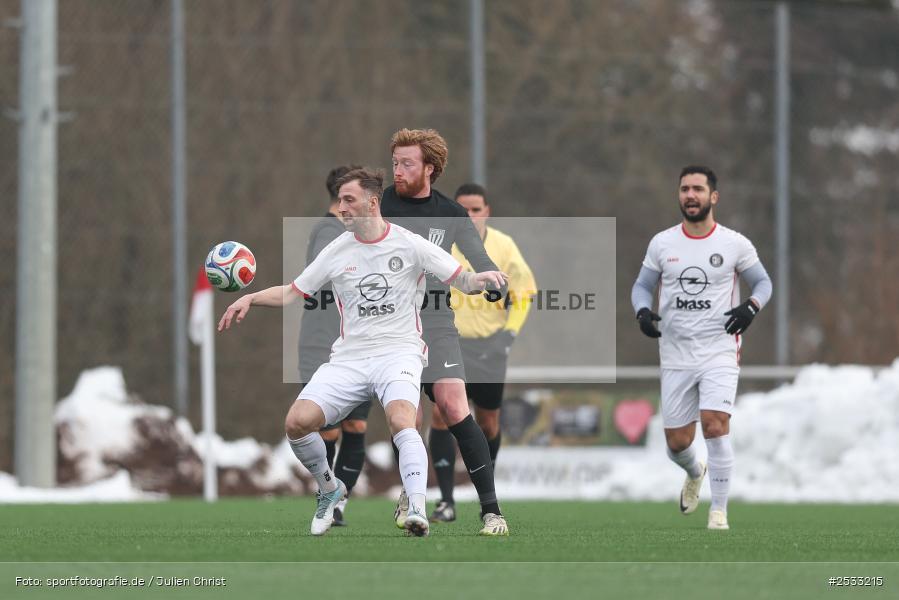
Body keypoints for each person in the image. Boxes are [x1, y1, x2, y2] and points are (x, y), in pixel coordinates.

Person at [219, 167, 506, 537]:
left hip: (399, 353)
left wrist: (480, 280)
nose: (341, 208)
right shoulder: (337, 249)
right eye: (339, 200)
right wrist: (251, 298)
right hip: (350, 358)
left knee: (403, 420)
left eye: (349, 200)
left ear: (373, 203)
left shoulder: (409, 243)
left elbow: (461, 279)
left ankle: (416, 506)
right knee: (296, 423)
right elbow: (293, 291)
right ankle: (329, 489)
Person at [380, 128, 510, 536]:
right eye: (395, 162)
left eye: (408, 164)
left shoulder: (452, 214)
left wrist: (492, 282)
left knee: (454, 406)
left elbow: (479, 258)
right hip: (389, 326)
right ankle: (411, 492)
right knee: (407, 417)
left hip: (436, 322)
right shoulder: (379, 206)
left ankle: (491, 511)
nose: (398, 171)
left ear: (430, 169)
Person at [631, 165, 773, 531]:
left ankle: (719, 512)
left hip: (719, 350)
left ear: (714, 197)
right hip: (675, 353)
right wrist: (642, 311)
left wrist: (750, 307)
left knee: (714, 424)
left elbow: (763, 283)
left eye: (697, 189)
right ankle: (695, 470)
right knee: (678, 442)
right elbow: (641, 286)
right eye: (684, 189)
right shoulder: (662, 243)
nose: (690, 195)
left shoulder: (734, 244)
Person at [428, 183, 537, 523]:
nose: (469, 215)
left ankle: (483, 494)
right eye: (462, 209)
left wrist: (508, 334)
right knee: (440, 414)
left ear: (487, 211)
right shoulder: (439, 241)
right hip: (449, 341)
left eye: (475, 209)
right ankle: (445, 501)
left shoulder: (503, 246)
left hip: (489, 346)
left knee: (489, 422)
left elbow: (524, 293)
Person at [298, 164, 369, 527]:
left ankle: (339, 503)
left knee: (356, 429)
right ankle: (326, 493)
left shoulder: (358, 234)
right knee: (327, 429)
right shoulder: (327, 232)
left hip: (357, 345)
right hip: (321, 345)